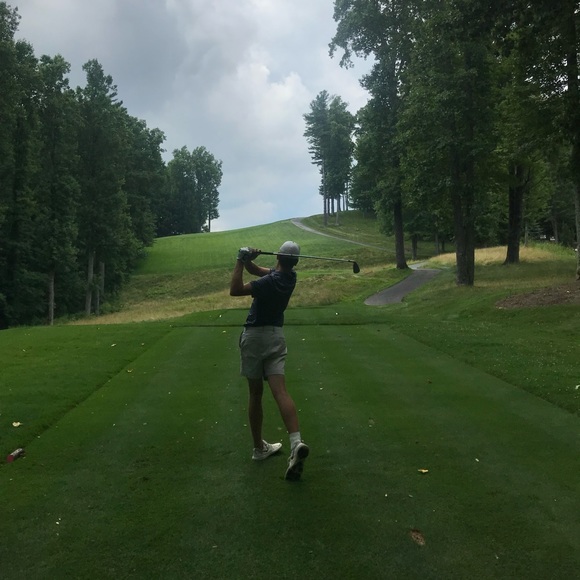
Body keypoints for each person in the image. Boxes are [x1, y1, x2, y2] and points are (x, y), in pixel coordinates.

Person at [229, 241, 309, 481]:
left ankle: (259, 448)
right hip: (275, 336)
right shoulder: (289, 277)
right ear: (294, 262)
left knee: (255, 393)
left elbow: (235, 289)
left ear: (279, 257)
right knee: (280, 391)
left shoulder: (268, 282)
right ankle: (296, 443)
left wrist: (239, 259)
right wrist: (248, 261)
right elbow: (257, 270)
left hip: (254, 337)